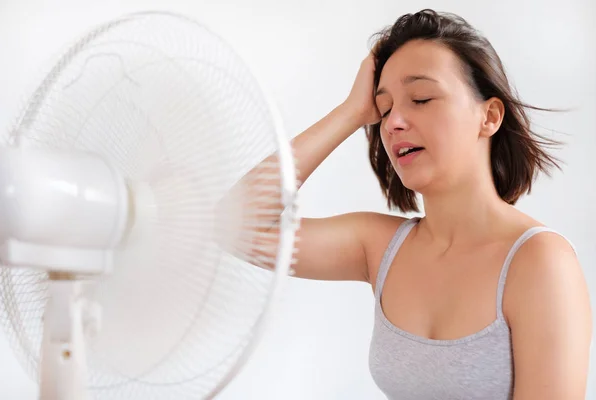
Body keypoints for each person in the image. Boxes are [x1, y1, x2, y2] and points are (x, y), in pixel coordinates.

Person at [219, 8, 592, 400]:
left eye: (421, 98)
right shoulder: (379, 248)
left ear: (490, 116)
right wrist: (351, 113)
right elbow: (233, 228)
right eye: (383, 109)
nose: (393, 122)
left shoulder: (540, 262)